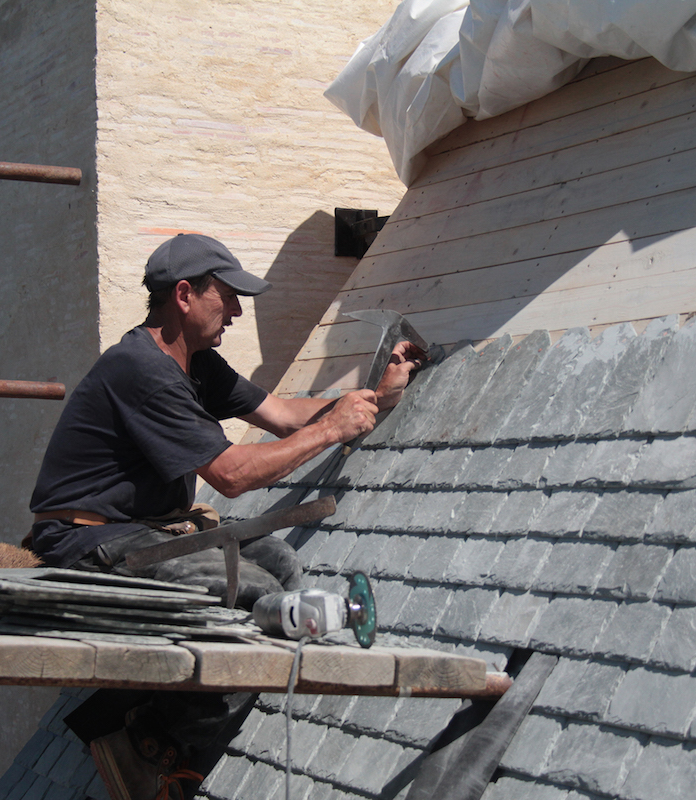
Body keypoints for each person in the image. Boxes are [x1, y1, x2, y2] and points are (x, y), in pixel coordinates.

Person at [26, 233, 422, 800]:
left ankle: (133, 714)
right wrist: (333, 429)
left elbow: (285, 417)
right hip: (87, 544)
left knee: (278, 566)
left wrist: (373, 396)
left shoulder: (195, 364)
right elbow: (232, 474)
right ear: (184, 295)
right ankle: (146, 742)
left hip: (143, 535)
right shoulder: (143, 371)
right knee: (252, 595)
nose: (237, 310)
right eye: (228, 296)